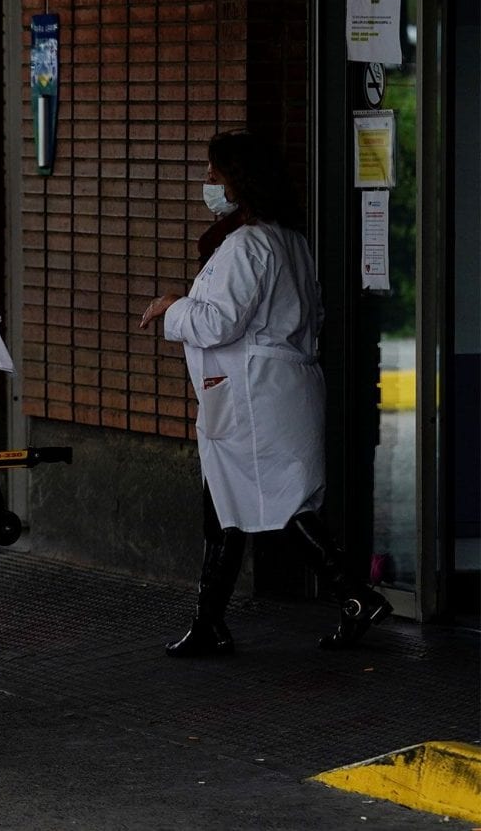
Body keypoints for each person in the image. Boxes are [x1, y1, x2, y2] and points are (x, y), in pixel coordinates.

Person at [139, 129, 391, 657]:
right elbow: (304, 315)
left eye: (215, 171)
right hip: (277, 388)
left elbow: (218, 324)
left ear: (240, 180)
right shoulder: (288, 240)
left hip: (255, 398)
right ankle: (210, 623)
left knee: (280, 505)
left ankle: (354, 595)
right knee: (229, 506)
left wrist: (172, 307)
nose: (207, 180)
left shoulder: (248, 243)